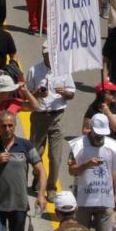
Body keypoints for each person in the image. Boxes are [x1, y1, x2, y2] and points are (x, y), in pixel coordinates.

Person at [68, 114, 116, 231]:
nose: (100, 137)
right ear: (90, 129)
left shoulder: (114, 147)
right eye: (97, 133)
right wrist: (86, 165)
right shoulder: (78, 146)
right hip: (84, 200)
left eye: (103, 134)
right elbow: (72, 171)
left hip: (105, 201)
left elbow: (114, 172)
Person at [26, 40, 75, 200]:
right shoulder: (34, 70)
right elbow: (26, 94)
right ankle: (37, 177)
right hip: (39, 115)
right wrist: (37, 94)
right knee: (36, 153)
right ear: (43, 54)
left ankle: (51, 187)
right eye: (47, 54)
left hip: (57, 116)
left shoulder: (63, 71)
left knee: (55, 156)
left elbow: (72, 93)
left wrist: (64, 93)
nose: (50, 56)